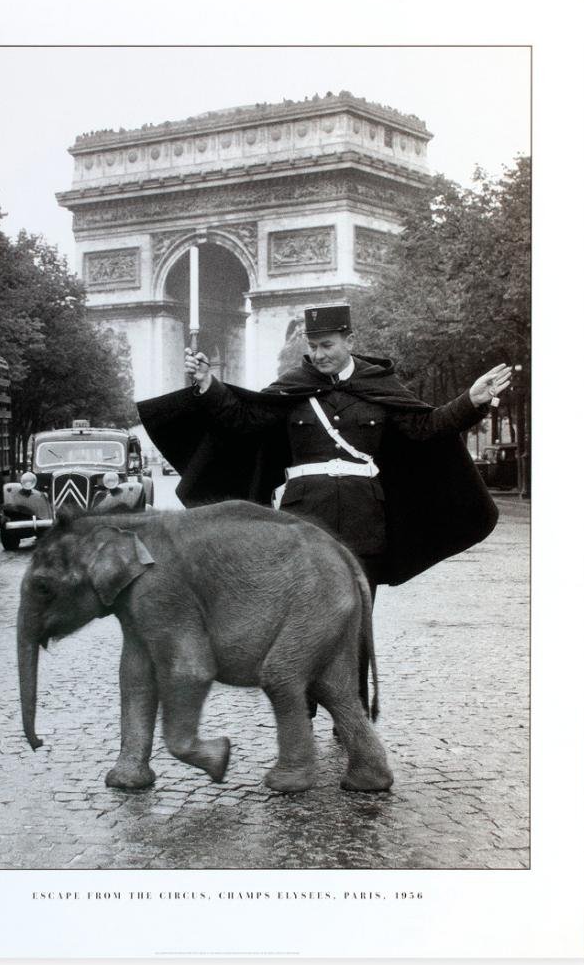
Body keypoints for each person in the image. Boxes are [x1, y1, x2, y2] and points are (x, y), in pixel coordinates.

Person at [136, 302, 512, 707]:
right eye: (313, 346)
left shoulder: (380, 385)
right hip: (305, 523)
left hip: (365, 521)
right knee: (305, 619)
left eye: (327, 345)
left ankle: (352, 711)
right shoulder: (293, 387)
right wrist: (210, 385)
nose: (318, 355)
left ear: (349, 341)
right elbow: (242, 421)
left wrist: (471, 401)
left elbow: (427, 427)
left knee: (355, 621)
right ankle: (304, 706)